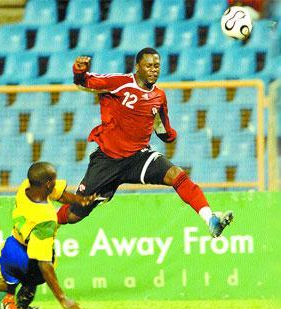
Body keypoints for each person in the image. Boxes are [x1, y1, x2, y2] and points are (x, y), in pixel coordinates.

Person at [57, 47, 233, 238]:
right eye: (148, 65)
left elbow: (162, 127)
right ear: (137, 67)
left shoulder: (159, 97)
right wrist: (79, 70)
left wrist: (169, 136)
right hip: (107, 160)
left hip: (138, 158)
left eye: (157, 66)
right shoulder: (119, 83)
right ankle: (45, 221)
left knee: (176, 174)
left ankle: (210, 218)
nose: (153, 70)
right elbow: (85, 82)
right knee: (75, 214)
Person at [0, 161, 96, 309]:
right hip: (30, 260)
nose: (56, 183)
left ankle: (8, 303)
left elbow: (58, 194)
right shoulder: (46, 218)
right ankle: (20, 306)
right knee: (36, 274)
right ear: (48, 184)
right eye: (54, 181)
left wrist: (78, 200)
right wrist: (63, 299)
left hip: (11, 248)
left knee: (2, 282)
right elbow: (44, 264)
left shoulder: (26, 187)